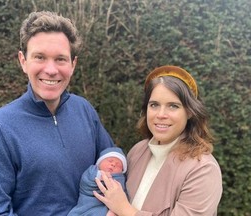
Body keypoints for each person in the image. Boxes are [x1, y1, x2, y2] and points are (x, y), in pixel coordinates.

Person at [0, 11, 115, 215]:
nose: (51, 69)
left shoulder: (83, 110)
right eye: (40, 57)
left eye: (60, 59)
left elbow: (112, 163)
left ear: (73, 65)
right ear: (23, 61)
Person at [94, 65, 223, 215]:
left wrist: (125, 210)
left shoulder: (203, 170)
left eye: (173, 106)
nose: (161, 114)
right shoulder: (137, 151)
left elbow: (121, 206)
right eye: (154, 105)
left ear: (189, 112)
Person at [68, 147, 127, 216]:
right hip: (88, 202)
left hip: (104, 207)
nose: (113, 164)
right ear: (99, 162)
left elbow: (122, 195)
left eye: (118, 165)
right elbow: (85, 182)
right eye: (110, 161)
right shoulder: (92, 171)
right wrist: (99, 175)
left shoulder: (120, 179)